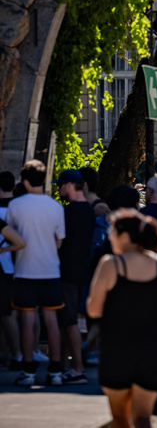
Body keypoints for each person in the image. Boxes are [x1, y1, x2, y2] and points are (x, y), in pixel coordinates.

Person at [86, 210, 157, 428]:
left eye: (112, 232)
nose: (110, 237)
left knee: (120, 420)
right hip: (152, 349)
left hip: (117, 348)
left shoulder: (110, 264)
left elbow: (94, 310)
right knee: (143, 418)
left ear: (125, 236)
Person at [8, 160, 66, 386]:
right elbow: (59, 242)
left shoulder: (16, 206)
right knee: (52, 321)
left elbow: (12, 235)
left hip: (24, 270)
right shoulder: (56, 207)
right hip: (50, 269)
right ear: (45, 179)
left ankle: (29, 369)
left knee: (27, 320)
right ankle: (56, 370)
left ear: (24, 180)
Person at [57, 169, 94, 385]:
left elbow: (59, 242)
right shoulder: (89, 210)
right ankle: (62, 366)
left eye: (60, 185)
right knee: (67, 321)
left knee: (69, 321)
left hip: (67, 272)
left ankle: (77, 368)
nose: (59, 189)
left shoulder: (68, 212)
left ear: (70, 185)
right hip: (82, 271)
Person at [0, 193, 27, 369]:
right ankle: (8, 354)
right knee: (5, 315)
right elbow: (20, 242)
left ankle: (15, 354)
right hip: (7, 270)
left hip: (4, 271)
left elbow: (20, 242)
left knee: (6, 314)